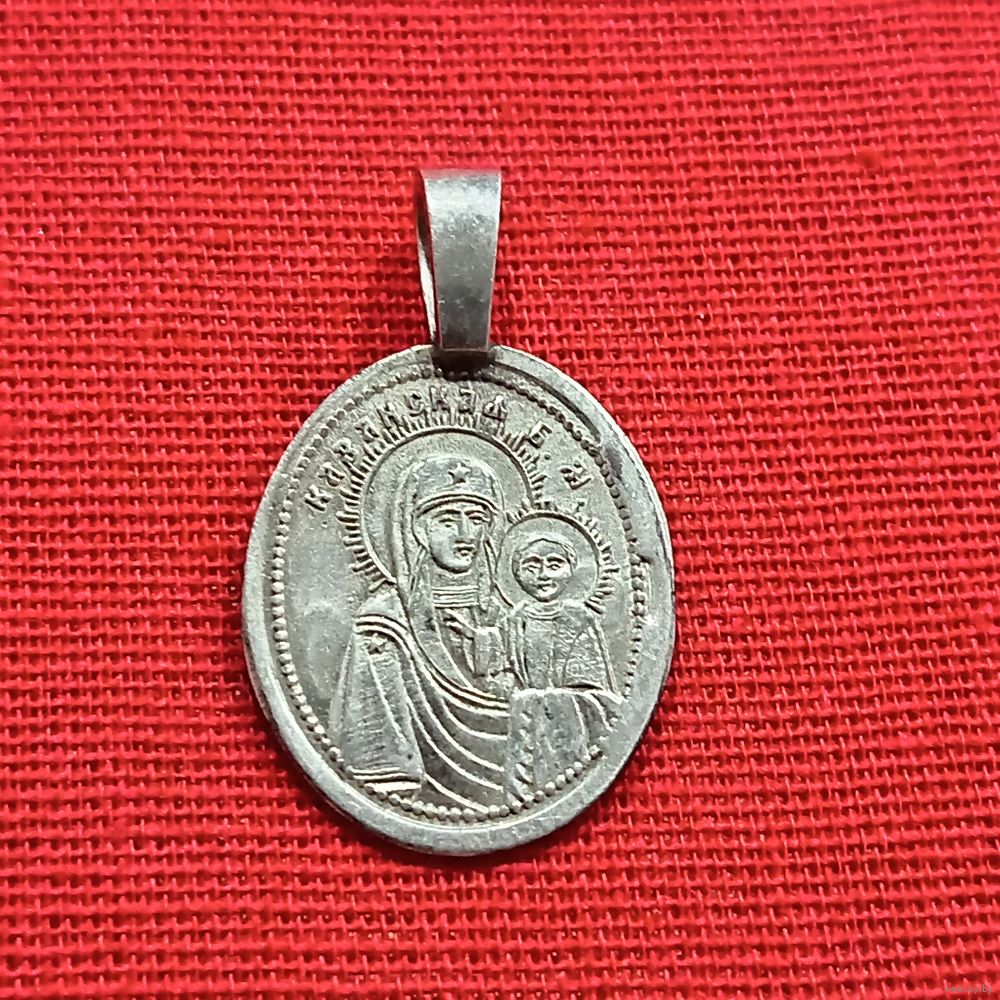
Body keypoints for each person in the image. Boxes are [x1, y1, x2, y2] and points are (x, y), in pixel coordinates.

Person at [327, 455, 510, 812]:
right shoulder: (384, 624)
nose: (465, 534)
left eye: (476, 519)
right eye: (447, 520)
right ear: (418, 530)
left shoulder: (509, 616)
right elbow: (379, 760)